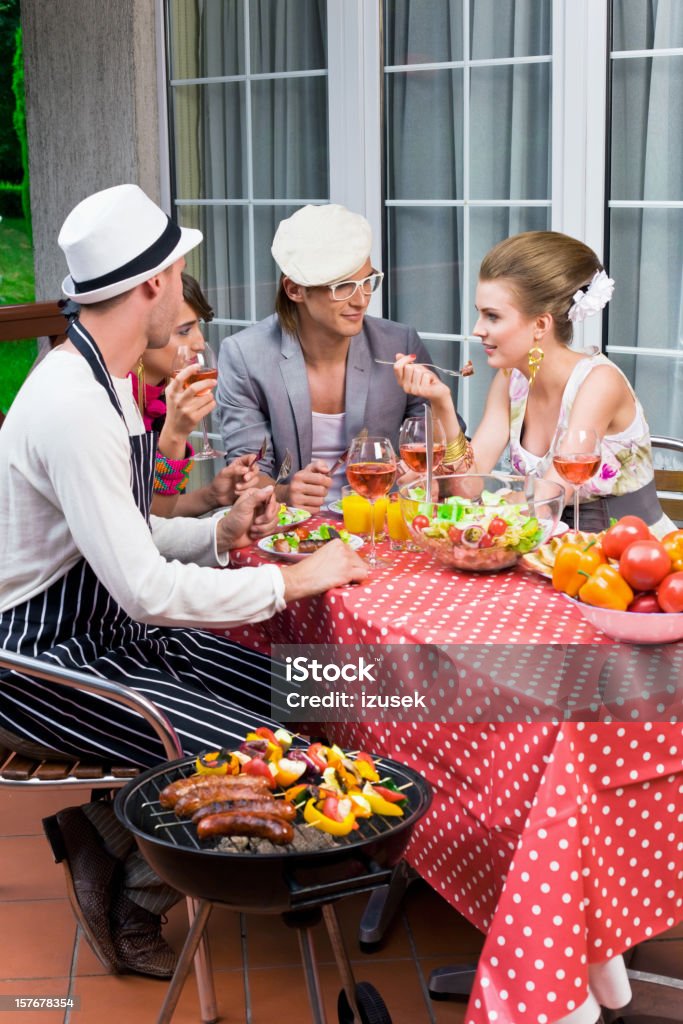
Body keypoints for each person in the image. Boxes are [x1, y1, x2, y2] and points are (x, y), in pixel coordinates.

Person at [0, 184, 368, 979]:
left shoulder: (108, 382)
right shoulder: (74, 406)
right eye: (179, 270)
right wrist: (295, 580)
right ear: (153, 285)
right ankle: (132, 895)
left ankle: (104, 834)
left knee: (308, 690)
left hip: (105, 630)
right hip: (36, 656)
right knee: (277, 756)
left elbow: (124, 538)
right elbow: (146, 589)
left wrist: (215, 532)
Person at [393, 230, 671, 534]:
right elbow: (468, 486)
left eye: (492, 317)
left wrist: (493, 506)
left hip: (626, 553)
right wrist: (441, 401)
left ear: (540, 324)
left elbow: (548, 497)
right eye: (480, 314)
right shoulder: (511, 380)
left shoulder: (599, 383)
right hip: (547, 543)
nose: (477, 329)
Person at [216, 203, 466, 510]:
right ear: (295, 290)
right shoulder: (245, 355)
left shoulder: (398, 343)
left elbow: (443, 456)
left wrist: (417, 473)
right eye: (343, 286)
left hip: (381, 527)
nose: (361, 300)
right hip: (290, 533)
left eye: (366, 282)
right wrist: (284, 493)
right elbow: (247, 474)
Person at [131, 271, 260, 517]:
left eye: (198, 325)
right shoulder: (108, 401)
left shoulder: (168, 393)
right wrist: (175, 435)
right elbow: (139, 523)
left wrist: (213, 495)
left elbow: (159, 511)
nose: (200, 343)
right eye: (184, 331)